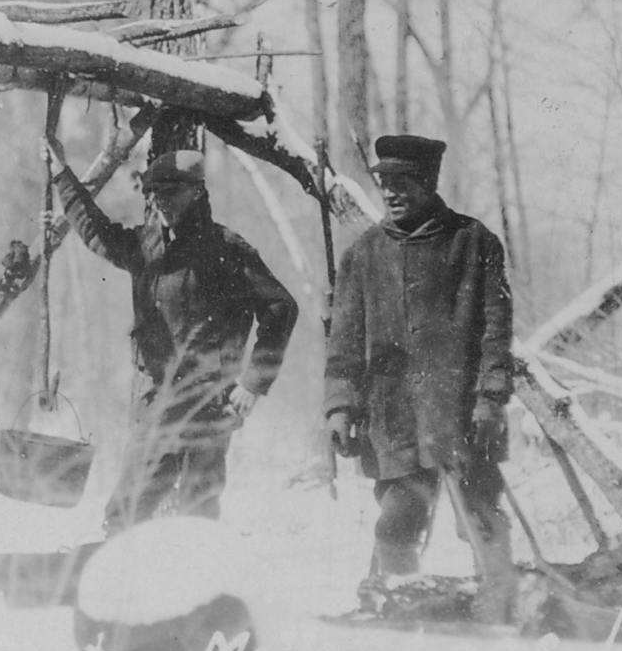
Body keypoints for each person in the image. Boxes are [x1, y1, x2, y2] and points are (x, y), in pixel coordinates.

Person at [48, 136, 299, 536]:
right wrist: (62, 174)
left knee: (197, 511)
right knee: (129, 507)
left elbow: (281, 307)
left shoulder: (227, 250)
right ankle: (122, 588)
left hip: (210, 402)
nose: (160, 201)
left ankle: (191, 594)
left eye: (171, 191)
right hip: (157, 399)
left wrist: (253, 383)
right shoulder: (147, 247)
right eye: (153, 192)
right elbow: (95, 231)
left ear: (197, 192)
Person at [324, 134, 518, 623]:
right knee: (396, 526)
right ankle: (402, 613)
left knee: (481, 520)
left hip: (463, 416)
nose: (391, 192)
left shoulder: (473, 243)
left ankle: (501, 611)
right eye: (384, 183)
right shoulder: (362, 255)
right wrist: (340, 405)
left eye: (403, 182)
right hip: (393, 420)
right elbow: (344, 341)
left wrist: (491, 398)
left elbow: (497, 331)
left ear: (429, 182)